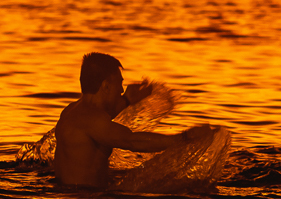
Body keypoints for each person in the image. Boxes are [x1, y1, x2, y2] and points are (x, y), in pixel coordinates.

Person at [53, 52, 212, 188]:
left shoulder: (74, 111)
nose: (122, 89)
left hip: (73, 198)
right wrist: (184, 138)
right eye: (119, 84)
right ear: (106, 86)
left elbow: (102, 119)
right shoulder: (91, 119)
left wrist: (128, 100)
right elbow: (132, 142)